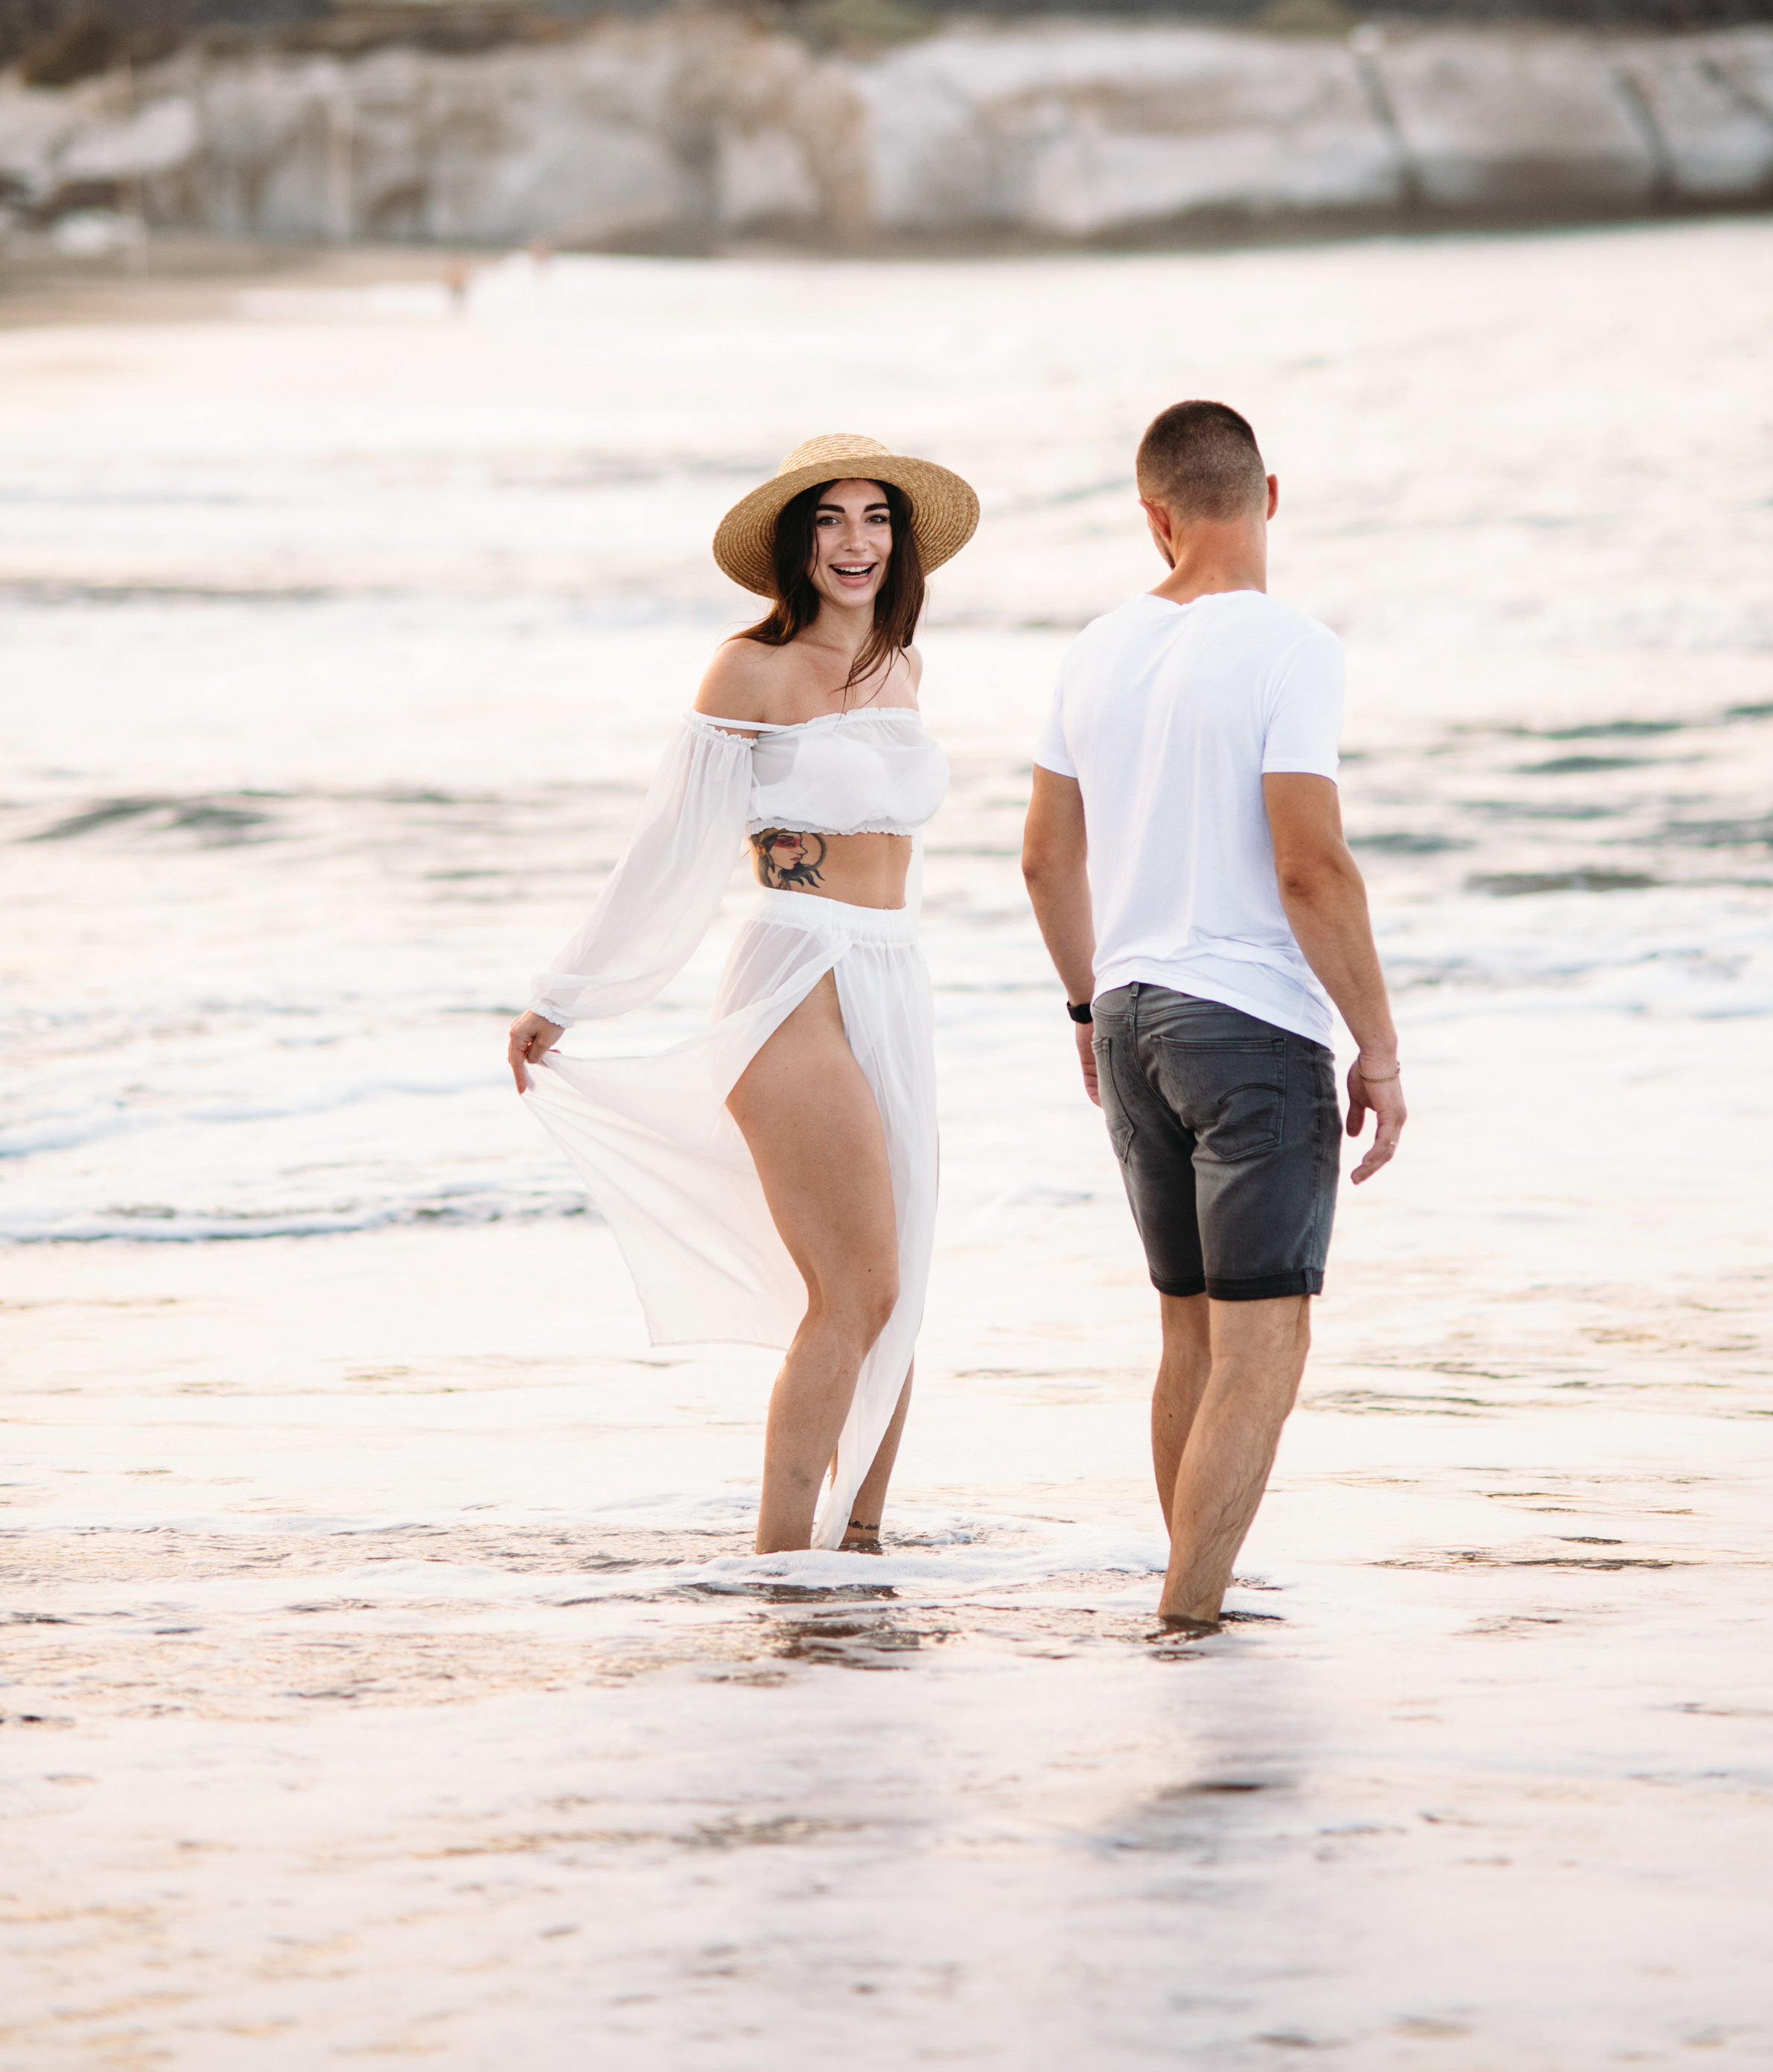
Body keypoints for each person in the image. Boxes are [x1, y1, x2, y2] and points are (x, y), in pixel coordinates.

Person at [507, 432, 978, 1557]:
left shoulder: (907, 664)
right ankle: (777, 1564)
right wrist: (567, 994)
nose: (855, 542)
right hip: (795, 976)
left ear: (900, 541)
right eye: (829, 520)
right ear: (795, 542)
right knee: (854, 1285)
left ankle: (859, 1549)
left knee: (898, 1287)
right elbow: (669, 847)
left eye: (875, 519)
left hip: (894, 974)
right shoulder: (750, 671)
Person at [1020, 398, 1406, 1633]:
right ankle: (1188, 1625)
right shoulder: (1295, 648)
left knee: (1189, 1333)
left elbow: (1042, 860)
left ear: (1156, 519)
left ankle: (1192, 1607)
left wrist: (1089, 1008)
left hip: (1131, 1021)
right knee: (1264, 1344)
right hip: (1245, 1029)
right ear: (1271, 498)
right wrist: (1380, 1050)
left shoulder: (1092, 649)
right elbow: (1312, 868)